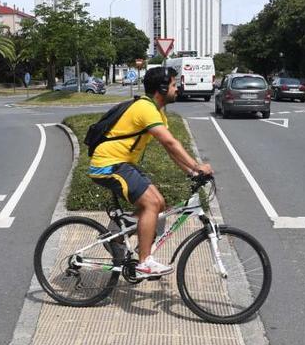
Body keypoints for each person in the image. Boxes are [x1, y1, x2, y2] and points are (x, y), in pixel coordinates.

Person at [88, 67, 213, 276]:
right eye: (173, 85)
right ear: (162, 88)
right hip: (108, 164)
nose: (177, 88)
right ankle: (144, 261)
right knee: (152, 204)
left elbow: (169, 149)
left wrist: (192, 173)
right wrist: (196, 166)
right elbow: (170, 142)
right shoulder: (145, 108)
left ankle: (119, 233)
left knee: (160, 204)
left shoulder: (157, 112)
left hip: (122, 163)